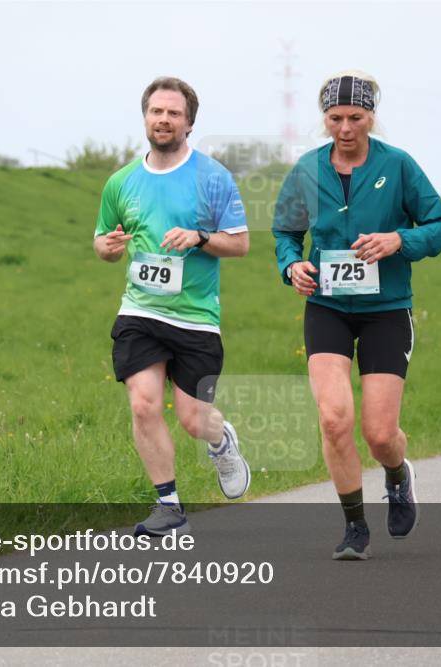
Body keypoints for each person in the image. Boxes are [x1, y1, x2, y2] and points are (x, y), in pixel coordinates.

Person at [272, 70, 441, 559]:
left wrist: (399, 240)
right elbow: (286, 232)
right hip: (327, 307)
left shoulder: (398, 166)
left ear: (372, 116)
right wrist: (292, 266)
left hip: (386, 311)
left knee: (379, 434)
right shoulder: (307, 170)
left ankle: (397, 475)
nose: (345, 128)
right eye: (335, 118)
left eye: (355, 117)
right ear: (324, 119)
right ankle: (355, 526)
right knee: (333, 420)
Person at [94, 76, 251, 537]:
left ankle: (222, 443)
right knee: (144, 405)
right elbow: (103, 243)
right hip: (140, 311)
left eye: (173, 113)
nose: (163, 119)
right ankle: (169, 506)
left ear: (189, 123)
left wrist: (200, 237)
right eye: (156, 111)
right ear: (146, 117)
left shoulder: (213, 178)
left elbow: (239, 244)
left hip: (196, 317)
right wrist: (109, 248)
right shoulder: (121, 181)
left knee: (193, 420)